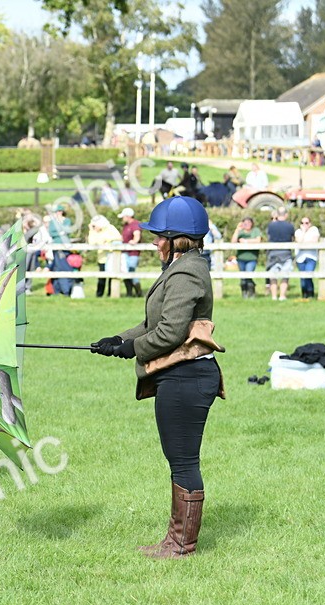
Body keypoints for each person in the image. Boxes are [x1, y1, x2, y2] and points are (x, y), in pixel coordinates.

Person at [91, 196, 224, 559]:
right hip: (179, 376)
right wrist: (119, 339)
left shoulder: (186, 272)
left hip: (186, 376)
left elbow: (170, 333)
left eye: (158, 236)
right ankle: (175, 541)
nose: (152, 242)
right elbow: (153, 325)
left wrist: (132, 349)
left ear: (175, 238)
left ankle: (181, 545)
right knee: (178, 458)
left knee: (183, 460)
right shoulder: (182, 267)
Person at [265, 207, 295, 301]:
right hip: (286, 253)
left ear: (277, 215)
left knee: (273, 276)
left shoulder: (271, 226)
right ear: (286, 215)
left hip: (273, 253)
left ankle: (274, 296)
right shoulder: (290, 226)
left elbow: (269, 236)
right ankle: (282, 296)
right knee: (285, 276)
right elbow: (292, 238)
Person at [88, 214, 121, 297]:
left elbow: (118, 238)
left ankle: (111, 294)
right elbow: (91, 242)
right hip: (102, 258)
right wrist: (91, 231)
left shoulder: (110, 228)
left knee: (112, 278)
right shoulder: (95, 232)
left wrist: (106, 240)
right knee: (101, 278)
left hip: (112, 257)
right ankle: (99, 295)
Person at [47, 204, 74, 296]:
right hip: (56, 246)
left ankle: (64, 289)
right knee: (58, 267)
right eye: (56, 212)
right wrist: (61, 232)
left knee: (62, 266)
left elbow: (67, 230)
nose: (58, 213)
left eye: (59, 211)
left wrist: (60, 232)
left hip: (65, 246)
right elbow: (51, 232)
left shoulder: (67, 220)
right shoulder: (52, 222)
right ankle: (58, 290)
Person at [231, 217, 261, 298]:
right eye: (245, 223)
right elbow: (233, 242)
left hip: (251, 258)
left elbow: (258, 240)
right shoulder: (240, 232)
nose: (247, 225)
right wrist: (237, 230)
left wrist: (246, 241)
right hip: (241, 258)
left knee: (248, 274)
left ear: (252, 223)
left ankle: (251, 293)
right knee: (243, 277)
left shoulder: (255, 230)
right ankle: (244, 294)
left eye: (248, 223)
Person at [118, 207, 143, 297]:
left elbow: (137, 235)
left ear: (128, 216)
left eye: (123, 216)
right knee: (125, 272)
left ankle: (138, 292)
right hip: (125, 252)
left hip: (133, 252)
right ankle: (129, 292)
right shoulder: (126, 225)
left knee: (131, 271)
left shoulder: (135, 224)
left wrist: (134, 241)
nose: (122, 218)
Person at [294, 216, 321, 299]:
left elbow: (314, 242)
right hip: (300, 257)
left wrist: (305, 243)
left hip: (311, 256)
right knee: (302, 277)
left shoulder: (314, 230)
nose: (304, 225)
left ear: (310, 223)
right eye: (302, 223)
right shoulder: (298, 232)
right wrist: (303, 231)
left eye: (306, 223)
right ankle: (304, 294)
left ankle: (310, 293)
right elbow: (299, 241)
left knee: (308, 275)